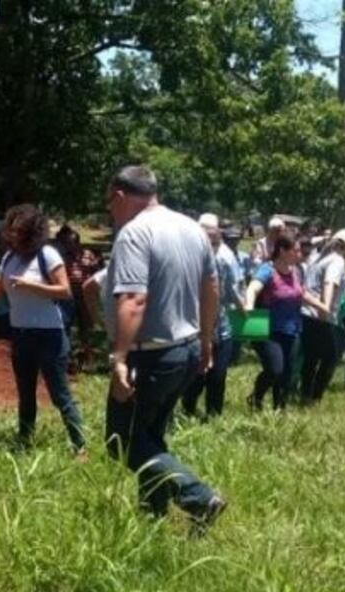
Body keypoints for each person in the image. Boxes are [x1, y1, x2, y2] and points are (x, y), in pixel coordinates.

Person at [103, 166, 225, 531]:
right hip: (185, 350)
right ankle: (152, 516)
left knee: (120, 441)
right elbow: (211, 289)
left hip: (150, 354)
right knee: (150, 436)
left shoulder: (134, 233)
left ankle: (199, 497)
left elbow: (134, 299)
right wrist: (205, 341)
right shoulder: (191, 228)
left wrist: (119, 358)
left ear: (121, 196)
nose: (111, 211)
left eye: (110, 203)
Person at [0, 204, 87, 456]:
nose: (13, 233)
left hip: (49, 335)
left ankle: (80, 446)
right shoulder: (8, 259)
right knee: (26, 393)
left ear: (32, 230)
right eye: (11, 228)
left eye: (19, 229)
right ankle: (24, 442)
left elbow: (64, 290)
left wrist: (32, 286)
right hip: (21, 335)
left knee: (59, 394)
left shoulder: (48, 254)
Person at [244, 234, 319, 410]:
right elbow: (253, 288)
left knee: (287, 373)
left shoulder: (296, 271)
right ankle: (256, 397)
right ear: (283, 251)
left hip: (292, 330)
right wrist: (248, 303)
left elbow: (301, 293)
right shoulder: (267, 270)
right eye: (297, 250)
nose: (301, 253)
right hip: (267, 330)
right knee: (275, 370)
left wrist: (321, 306)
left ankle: (279, 409)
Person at [182, 217, 242, 418]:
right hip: (195, 330)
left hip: (222, 329)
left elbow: (231, 289)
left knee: (218, 375)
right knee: (197, 376)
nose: (213, 248)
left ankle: (214, 415)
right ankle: (188, 409)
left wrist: (243, 308)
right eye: (209, 243)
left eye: (216, 243)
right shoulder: (188, 265)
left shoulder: (223, 261)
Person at [301, 229, 345, 403]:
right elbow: (329, 284)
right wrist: (325, 310)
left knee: (311, 357)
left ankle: (305, 394)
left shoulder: (319, 258)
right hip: (321, 316)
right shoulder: (337, 261)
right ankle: (315, 396)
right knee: (332, 357)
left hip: (307, 314)